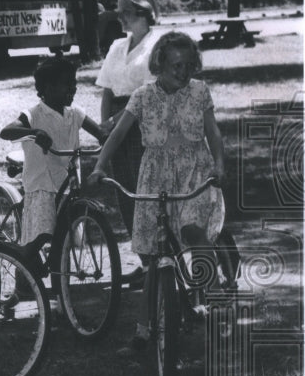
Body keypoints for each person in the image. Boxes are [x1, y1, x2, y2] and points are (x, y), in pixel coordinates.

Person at [87, 32, 225, 352]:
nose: (183, 72)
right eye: (176, 65)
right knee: (154, 254)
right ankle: (143, 331)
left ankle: (216, 305)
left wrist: (219, 164)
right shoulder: (142, 96)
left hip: (194, 171)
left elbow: (213, 133)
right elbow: (118, 135)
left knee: (194, 231)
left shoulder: (200, 92)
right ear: (159, 63)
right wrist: (99, 166)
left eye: (189, 65)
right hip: (155, 176)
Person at [0, 57, 106, 248]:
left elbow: (99, 132)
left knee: (67, 237)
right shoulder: (34, 114)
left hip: (68, 184)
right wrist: (33, 132)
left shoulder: (75, 113)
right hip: (42, 186)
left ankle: (58, 269)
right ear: (48, 88)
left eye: (74, 83)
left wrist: (106, 137)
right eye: (67, 84)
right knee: (38, 239)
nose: (73, 88)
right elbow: (7, 132)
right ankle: (24, 268)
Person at [95, 0, 162, 288]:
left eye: (124, 11)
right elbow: (107, 89)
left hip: (145, 123)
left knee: (147, 190)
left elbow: (148, 94)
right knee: (125, 193)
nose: (119, 16)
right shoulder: (117, 47)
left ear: (143, 12)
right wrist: (103, 126)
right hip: (116, 122)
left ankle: (160, 261)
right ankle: (146, 262)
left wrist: (115, 122)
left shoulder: (157, 45)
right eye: (118, 10)